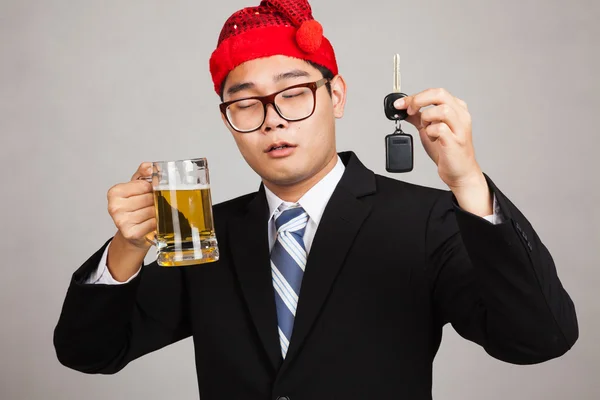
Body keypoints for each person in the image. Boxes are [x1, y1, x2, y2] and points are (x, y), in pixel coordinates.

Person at [53, 0, 578, 399]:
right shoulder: (204, 234)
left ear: (337, 96)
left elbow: (537, 341)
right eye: (246, 103)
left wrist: (468, 184)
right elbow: (89, 353)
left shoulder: (428, 220)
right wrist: (126, 248)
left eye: (294, 92)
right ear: (227, 121)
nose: (274, 118)